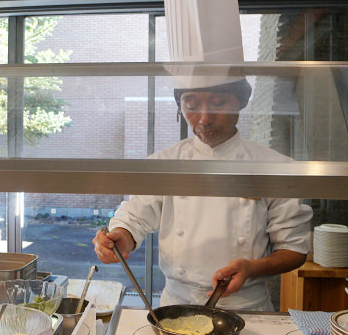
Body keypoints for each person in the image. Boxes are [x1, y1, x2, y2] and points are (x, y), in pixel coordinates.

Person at [92, 75, 312, 311]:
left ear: (241, 101)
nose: (204, 119)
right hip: (175, 307)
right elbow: (134, 218)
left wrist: (252, 267)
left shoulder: (274, 166)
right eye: (191, 105)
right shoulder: (166, 163)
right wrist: (120, 238)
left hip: (247, 309)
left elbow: (294, 249)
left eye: (218, 104)